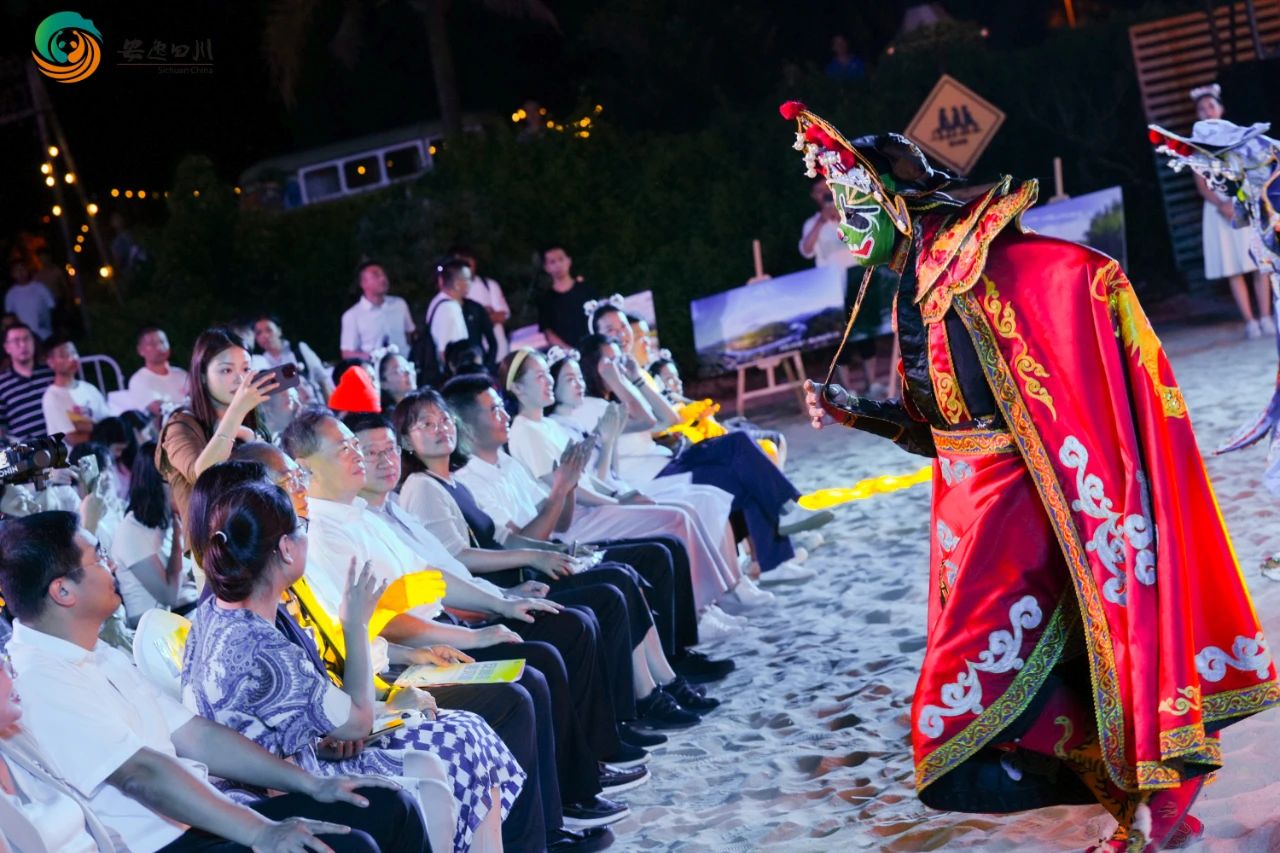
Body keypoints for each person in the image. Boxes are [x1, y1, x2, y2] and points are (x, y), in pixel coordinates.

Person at [784, 99, 1280, 849]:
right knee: (1064, 672)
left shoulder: (986, 270)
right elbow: (939, 427)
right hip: (964, 511)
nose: (849, 229)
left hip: (1022, 505)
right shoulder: (914, 283)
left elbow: (1064, 329)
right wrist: (855, 412)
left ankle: (1155, 807)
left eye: (856, 206)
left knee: (963, 698)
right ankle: (1148, 815)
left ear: (895, 201)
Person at [219, 445, 619, 853]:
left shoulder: (346, 534)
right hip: (350, 716)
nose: (370, 457)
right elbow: (343, 690)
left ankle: (552, 820)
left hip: (369, 689)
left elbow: (344, 650)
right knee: (506, 702)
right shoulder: (266, 605)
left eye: (375, 447)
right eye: (291, 481)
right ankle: (540, 837)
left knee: (508, 694)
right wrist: (387, 693)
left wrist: (416, 653)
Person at [278, 410, 645, 818]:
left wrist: (501, 603)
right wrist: (471, 636)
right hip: (398, 665)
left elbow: (432, 577)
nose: (359, 455)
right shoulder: (323, 533)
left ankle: (578, 783)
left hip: (428, 641)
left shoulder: (362, 515)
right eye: (346, 448)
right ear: (306, 468)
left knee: (553, 635)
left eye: (357, 445)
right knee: (527, 678)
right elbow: (381, 621)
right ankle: (563, 807)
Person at [0, 510, 428, 853]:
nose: (112, 565)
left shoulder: (96, 652)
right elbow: (140, 773)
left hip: (197, 820)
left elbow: (195, 735)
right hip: (161, 844)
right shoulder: (39, 677)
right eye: (98, 558)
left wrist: (311, 784)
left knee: (390, 806)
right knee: (349, 846)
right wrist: (261, 831)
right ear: (63, 591)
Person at [183, 475, 524, 853]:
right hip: (266, 796)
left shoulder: (213, 612)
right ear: (286, 549)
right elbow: (358, 721)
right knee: (425, 785)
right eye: (302, 528)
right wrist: (356, 623)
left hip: (282, 769)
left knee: (428, 766)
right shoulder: (264, 645)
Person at [389, 392, 718, 721]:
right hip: (494, 594)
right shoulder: (421, 486)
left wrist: (553, 550)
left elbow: (505, 537)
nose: (441, 428)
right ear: (405, 441)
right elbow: (457, 558)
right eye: (426, 424)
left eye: (444, 419)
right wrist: (528, 563)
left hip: (511, 584)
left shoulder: (451, 483)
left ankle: (661, 681)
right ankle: (644, 697)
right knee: (610, 590)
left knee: (621, 575)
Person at [571, 336, 831, 584]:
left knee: (740, 446)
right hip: (650, 478)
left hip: (668, 461)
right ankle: (782, 526)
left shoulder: (622, 396)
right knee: (741, 465)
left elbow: (670, 419)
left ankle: (780, 537)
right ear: (591, 366)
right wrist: (619, 381)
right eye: (609, 360)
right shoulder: (588, 407)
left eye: (619, 359)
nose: (616, 366)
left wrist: (636, 377)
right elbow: (647, 421)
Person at [156, 327, 278, 527]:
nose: (240, 379)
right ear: (203, 375)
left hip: (264, 532)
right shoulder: (181, 425)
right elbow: (204, 475)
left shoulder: (252, 418)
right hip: (214, 540)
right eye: (226, 370)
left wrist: (252, 438)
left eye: (246, 369)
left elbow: (276, 473)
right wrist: (236, 412)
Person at [1188, 83, 1274, 339]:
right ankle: (1250, 321)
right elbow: (1201, 184)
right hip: (1218, 207)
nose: (1207, 112)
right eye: (1202, 109)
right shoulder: (1197, 146)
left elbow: (1249, 169)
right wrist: (1221, 204)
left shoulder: (1237, 137)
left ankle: (1266, 316)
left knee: (1259, 263)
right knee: (1233, 268)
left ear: (1221, 109)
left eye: (1211, 106)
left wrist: (1241, 199)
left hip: (1242, 201)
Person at [799, 178, 886, 396]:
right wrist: (822, 221)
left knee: (866, 330)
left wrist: (842, 217)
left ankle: (872, 383)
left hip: (858, 278)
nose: (825, 194)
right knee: (839, 337)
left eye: (827, 189)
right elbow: (806, 250)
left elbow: (866, 236)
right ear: (814, 196)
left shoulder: (851, 213)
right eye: (819, 191)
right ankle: (847, 389)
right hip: (831, 286)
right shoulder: (811, 223)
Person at [109, 440, 199, 627]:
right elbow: (168, 595)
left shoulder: (165, 518)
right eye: (177, 479)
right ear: (158, 482)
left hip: (186, 609)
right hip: (154, 625)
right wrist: (178, 536)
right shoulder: (132, 531)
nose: (184, 485)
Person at [341, 261, 415, 359]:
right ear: (364, 283)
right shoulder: (353, 315)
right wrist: (373, 357)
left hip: (406, 364)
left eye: (384, 274)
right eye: (376, 275)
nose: (383, 278)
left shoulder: (399, 304)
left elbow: (409, 333)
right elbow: (347, 353)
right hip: (374, 366)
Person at [41, 338, 109, 444]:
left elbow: (107, 419)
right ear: (51, 362)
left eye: (73, 353)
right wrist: (104, 433)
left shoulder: (89, 388)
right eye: (63, 355)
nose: (72, 358)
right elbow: (72, 438)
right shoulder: (52, 396)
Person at [252, 314, 331, 403]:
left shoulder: (298, 350)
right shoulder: (259, 363)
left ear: (279, 331)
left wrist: (332, 408)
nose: (264, 336)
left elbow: (323, 381)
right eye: (259, 333)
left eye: (269, 330)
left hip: (315, 404)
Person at [452, 246, 511, 360]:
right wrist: (485, 315)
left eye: (469, 262)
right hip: (472, 356)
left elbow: (503, 315)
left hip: (499, 353)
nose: (467, 267)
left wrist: (477, 318)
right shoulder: (454, 292)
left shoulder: (489, 285)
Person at [0, 324, 54, 440]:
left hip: (61, 444)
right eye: (16, 341)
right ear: (7, 348)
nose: (23, 344)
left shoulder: (51, 373)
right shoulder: (2, 384)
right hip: (26, 449)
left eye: (27, 339)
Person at [536, 247, 598, 349]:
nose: (558, 265)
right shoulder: (545, 300)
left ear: (569, 261)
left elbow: (600, 317)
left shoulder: (586, 289)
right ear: (546, 267)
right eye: (552, 262)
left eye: (561, 259)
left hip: (595, 347)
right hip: (568, 354)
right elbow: (548, 332)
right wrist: (570, 352)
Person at [128, 327, 191, 418]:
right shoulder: (139, 380)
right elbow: (158, 409)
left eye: (162, 342)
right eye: (152, 344)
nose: (159, 347)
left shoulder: (181, 374)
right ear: (140, 350)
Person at [4, 261, 54, 342]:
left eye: (22, 269)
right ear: (12, 274)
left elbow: (52, 308)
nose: (20, 272)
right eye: (17, 270)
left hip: (44, 336)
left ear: (27, 270)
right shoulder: (11, 294)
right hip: (24, 339)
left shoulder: (40, 287)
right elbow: (10, 318)